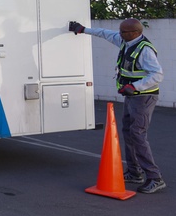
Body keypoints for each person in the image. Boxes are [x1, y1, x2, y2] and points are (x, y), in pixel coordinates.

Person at [69, 18, 166, 194]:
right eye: (120, 31)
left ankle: (155, 177)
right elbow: (105, 34)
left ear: (136, 33)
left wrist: (134, 86)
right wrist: (83, 30)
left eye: (124, 32)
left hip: (144, 97)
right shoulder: (125, 40)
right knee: (128, 133)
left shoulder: (144, 50)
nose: (120, 35)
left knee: (137, 134)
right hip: (132, 96)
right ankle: (134, 172)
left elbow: (157, 75)